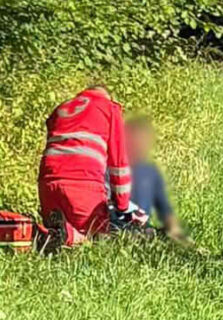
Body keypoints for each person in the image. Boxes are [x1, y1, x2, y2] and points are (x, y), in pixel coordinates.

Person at [37, 85, 146, 246]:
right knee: (99, 240)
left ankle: (56, 233)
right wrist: (122, 205)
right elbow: (118, 163)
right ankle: (70, 237)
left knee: (55, 233)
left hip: (47, 185)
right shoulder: (109, 108)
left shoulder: (61, 108)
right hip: (83, 187)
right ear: (106, 96)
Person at [125, 116, 184, 241]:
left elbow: (165, 210)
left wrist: (176, 233)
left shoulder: (150, 172)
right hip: (117, 226)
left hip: (142, 228)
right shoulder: (112, 168)